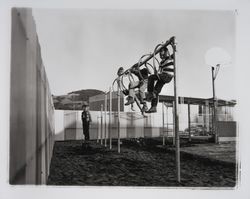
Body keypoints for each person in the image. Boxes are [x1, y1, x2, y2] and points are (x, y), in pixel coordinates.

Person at [146, 47, 174, 113]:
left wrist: (172, 44)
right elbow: (159, 71)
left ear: (166, 52)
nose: (160, 56)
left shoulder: (170, 57)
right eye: (160, 55)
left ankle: (150, 93)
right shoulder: (161, 62)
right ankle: (153, 107)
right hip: (162, 76)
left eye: (162, 54)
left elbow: (176, 51)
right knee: (155, 92)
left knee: (151, 77)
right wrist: (156, 72)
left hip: (167, 76)